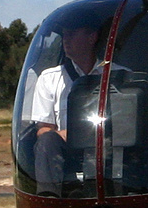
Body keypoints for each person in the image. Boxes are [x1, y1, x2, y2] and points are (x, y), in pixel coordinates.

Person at [31, 14, 101, 195]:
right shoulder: (49, 79)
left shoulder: (120, 76)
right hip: (69, 154)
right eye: (64, 35)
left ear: (92, 37)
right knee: (47, 140)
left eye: (72, 34)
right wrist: (67, 136)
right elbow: (43, 129)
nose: (65, 40)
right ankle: (49, 200)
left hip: (108, 150)